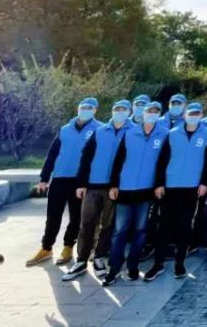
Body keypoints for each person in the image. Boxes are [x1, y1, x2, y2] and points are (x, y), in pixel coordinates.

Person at [27, 97, 102, 268]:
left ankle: (68, 247)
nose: (86, 110)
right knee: (53, 215)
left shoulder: (99, 129)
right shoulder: (65, 129)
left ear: (95, 110)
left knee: (76, 217)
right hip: (59, 178)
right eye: (83, 107)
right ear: (78, 108)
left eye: (90, 108)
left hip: (79, 181)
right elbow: (52, 153)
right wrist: (44, 178)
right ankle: (46, 248)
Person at [62, 99, 131, 280]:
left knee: (107, 226)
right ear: (112, 111)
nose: (120, 112)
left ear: (129, 112)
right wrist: (81, 183)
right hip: (92, 186)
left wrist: (118, 185)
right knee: (87, 224)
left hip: (114, 188)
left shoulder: (132, 132)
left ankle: (99, 257)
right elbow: (86, 157)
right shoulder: (100, 131)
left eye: (124, 109)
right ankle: (81, 260)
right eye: (117, 109)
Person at [102, 101, 168, 286]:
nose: (152, 114)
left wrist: (159, 184)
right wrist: (114, 184)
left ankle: (133, 266)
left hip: (146, 191)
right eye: (149, 111)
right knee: (120, 231)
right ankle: (114, 268)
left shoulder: (164, 134)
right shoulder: (130, 133)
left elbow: (163, 162)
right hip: (125, 189)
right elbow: (118, 159)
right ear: (143, 113)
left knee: (140, 231)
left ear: (159, 114)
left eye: (155, 111)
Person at [147, 102, 207, 280]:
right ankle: (158, 263)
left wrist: (205, 183)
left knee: (185, 227)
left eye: (197, 113)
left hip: (192, 188)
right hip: (170, 187)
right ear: (185, 115)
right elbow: (162, 160)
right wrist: (159, 183)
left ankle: (180, 264)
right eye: (191, 113)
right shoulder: (173, 133)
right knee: (164, 226)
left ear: (202, 115)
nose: (193, 116)